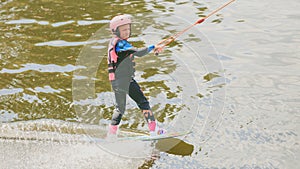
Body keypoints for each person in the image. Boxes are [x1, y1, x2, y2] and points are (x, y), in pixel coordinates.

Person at [107, 14, 164, 136]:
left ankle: (111, 133)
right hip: (126, 81)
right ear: (116, 31)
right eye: (123, 30)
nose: (127, 32)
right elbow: (138, 53)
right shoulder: (121, 44)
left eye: (128, 29)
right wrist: (153, 47)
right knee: (143, 103)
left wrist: (153, 48)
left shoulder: (115, 43)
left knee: (120, 108)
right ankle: (154, 130)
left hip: (116, 82)